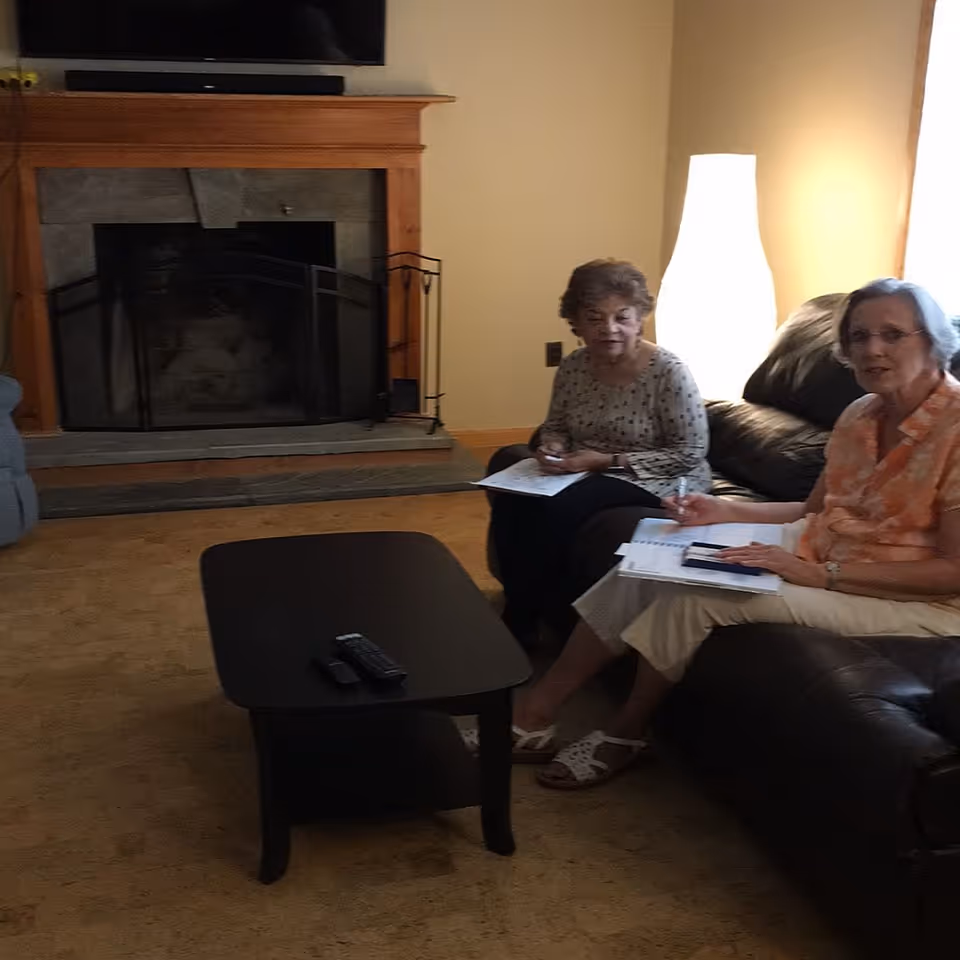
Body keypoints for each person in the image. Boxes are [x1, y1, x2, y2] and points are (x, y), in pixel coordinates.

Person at [504, 278, 960, 787]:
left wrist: (817, 574)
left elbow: (951, 573)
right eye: (859, 336)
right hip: (826, 549)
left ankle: (626, 734)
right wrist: (719, 511)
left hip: (914, 598)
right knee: (649, 553)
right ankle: (534, 715)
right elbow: (812, 513)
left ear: (932, 340)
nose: (872, 349)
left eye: (892, 334)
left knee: (696, 598)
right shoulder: (859, 414)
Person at [488, 259, 710, 643]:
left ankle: (527, 622)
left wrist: (606, 461)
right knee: (513, 498)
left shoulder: (668, 372)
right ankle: (519, 604)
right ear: (575, 323)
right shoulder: (574, 366)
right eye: (594, 318)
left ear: (640, 318)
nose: (609, 329)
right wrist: (552, 446)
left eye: (622, 317)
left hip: (656, 476)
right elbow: (556, 423)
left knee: (558, 507)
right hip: (585, 466)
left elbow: (690, 451)